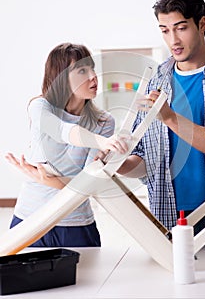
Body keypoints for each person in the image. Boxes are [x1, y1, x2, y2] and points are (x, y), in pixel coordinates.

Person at [118, 0, 205, 236]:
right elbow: (145, 157)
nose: (174, 41)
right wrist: (118, 165)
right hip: (169, 216)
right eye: (165, 30)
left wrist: (169, 117)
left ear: (202, 24)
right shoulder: (156, 79)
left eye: (181, 28)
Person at [6, 42, 129, 248]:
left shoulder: (104, 122)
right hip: (30, 219)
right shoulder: (40, 107)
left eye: (92, 68)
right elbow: (63, 131)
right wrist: (100, 141)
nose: (93, 77)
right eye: (82, 70)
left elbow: (87, 183)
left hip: (76, 224)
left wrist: (47, 179)